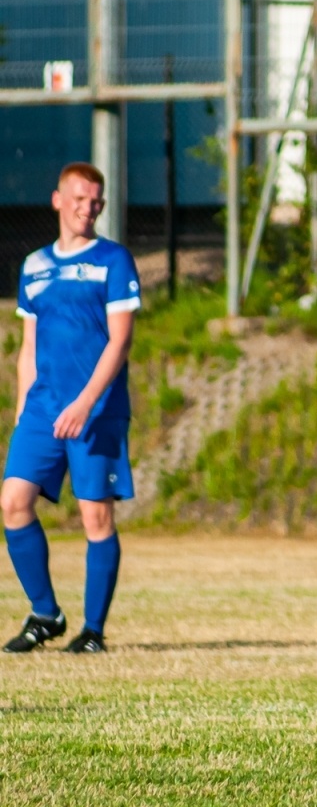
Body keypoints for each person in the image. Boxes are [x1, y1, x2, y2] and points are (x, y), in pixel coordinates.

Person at [3, 163, 140, 654]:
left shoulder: (113, 260)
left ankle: (93, 632)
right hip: (43, 408)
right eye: (80, 198)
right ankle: (46, 614)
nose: (89, 208)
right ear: (58, 200)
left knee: (95, 517)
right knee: (12, 503)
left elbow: (120, 341)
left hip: (96, 410)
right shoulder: (35, 264)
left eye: (96, 200)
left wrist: (85, 403)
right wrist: (23, 409)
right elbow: (29, 346)